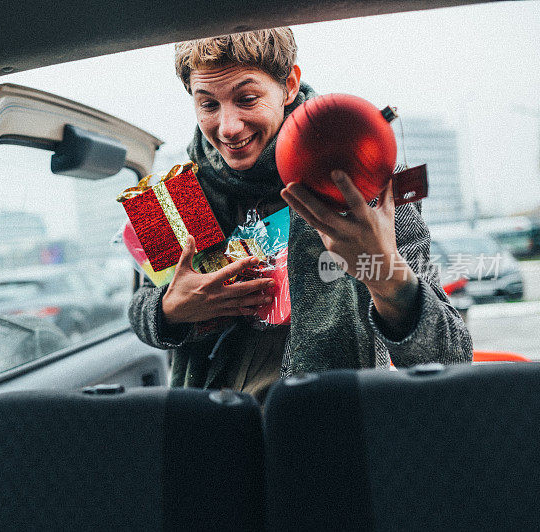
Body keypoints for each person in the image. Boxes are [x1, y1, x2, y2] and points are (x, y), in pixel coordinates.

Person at [128, 28, 473, 404]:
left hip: (330, 427)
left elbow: (449, 356)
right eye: (208, 105)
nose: (228, 127)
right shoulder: (176, 191)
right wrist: (169, 310)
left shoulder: (359, 172)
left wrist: (385, 273)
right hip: (208, 428)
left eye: (246, 98)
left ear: (289, 85)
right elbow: (140, 311)